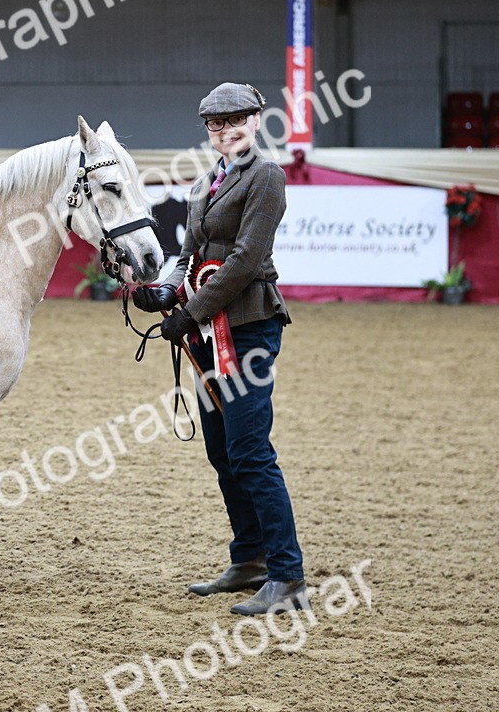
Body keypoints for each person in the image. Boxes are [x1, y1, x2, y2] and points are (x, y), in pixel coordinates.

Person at [133, 82, 307, 616]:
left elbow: (246, 260)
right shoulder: (211, 180)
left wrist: (192, 311)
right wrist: (165, 288)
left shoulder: (266, 177)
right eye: (213, 124)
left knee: (252, 453)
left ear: (256, 121)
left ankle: (288, 576)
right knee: (222, 451)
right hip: (208, 334)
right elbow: (189, 252)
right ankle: (249, 557)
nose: (223, 130)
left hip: (248, 326)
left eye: (234, 120)